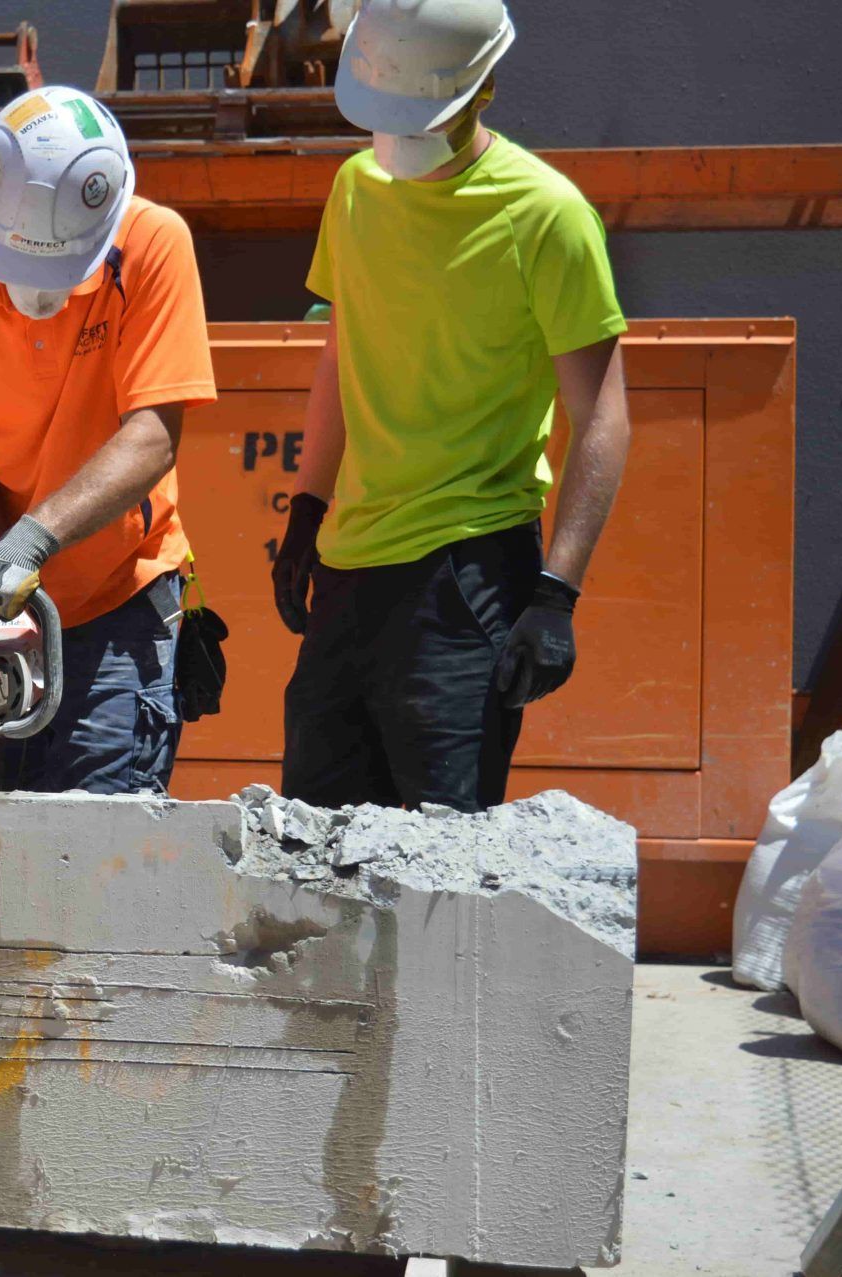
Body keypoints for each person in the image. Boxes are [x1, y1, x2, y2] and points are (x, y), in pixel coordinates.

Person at [270, 0, 633, 813]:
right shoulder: (355, 188)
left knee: (443, 859)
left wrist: (558, 592)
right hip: (350, 564)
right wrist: (308, 509)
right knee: (313, 848)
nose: (399, 139)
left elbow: (602, 416)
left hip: (467, 576)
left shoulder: (547, 216)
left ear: (485, 88)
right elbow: (341, 356)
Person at [0, 86, 217, 795]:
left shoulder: (154, 245)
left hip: (124, 591)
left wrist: (29, 544)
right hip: (2, 609)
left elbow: (154, 434)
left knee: (101, 837)